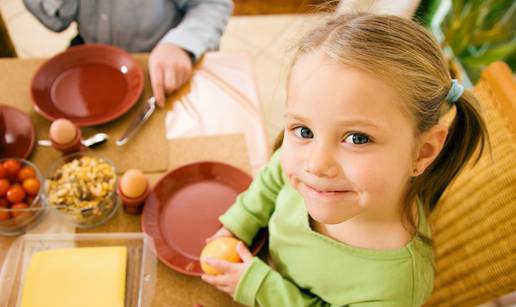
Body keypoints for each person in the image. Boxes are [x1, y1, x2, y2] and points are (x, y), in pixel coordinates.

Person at [200, 13, 488, 306]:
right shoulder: (314, 179)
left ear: (422, 152)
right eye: (304, 130)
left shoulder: (397, 285)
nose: (316, 164)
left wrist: (260, 286)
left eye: (357, 138)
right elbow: (274, 174)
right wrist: (240, 224)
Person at [23, 0, 233, 107]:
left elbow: (212, 3)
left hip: (162, 60)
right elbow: (57, 20)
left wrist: (181, 45)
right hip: (95, 58)